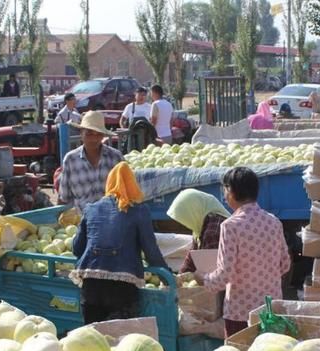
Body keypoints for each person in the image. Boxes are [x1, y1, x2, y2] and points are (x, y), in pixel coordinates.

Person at [194, 167, 291, 338]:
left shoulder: (230, 226)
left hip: (240, 313)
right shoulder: (274, 222)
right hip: (269, 309)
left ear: (231, 191)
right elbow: (284, 264)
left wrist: (203, 278)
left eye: (225, 189)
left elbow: (224, 275)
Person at [71, 162, 169, 323]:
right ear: (132, 184)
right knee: (120, 339)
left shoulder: (91, 208)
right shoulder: (139, 211)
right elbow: (151, 251)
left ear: (109, 183)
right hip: (122, 287)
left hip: (91, 283)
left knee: (93, 336)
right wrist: (167, 278)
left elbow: (77, 248)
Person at [58, 111, 124, 211]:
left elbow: (125, 193)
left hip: (111, 220)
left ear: (103, 136)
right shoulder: (70, 160)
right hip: (82, 221)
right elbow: (64, 198)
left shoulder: (115, 158)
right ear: (81, 133)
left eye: (98, 134)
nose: (94, 139)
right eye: (89, 134)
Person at [167, 189, 230, 273]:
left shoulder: (213, 230)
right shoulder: (201, 226)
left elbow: (211, 267)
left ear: (193, 211)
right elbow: (192, 257)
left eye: (186, 216)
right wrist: (180, 277)